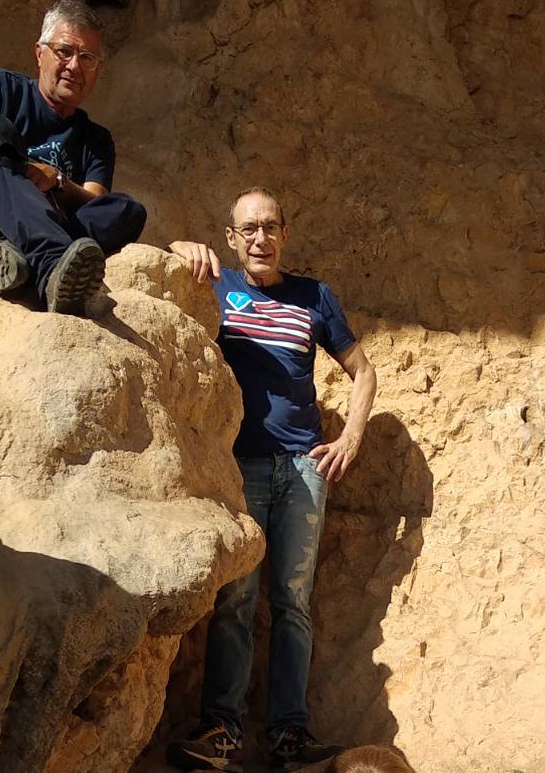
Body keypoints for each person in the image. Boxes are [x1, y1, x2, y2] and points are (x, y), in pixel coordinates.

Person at [166, 188, 378, 772]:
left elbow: (363, 372)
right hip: (241, 465)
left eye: (270, 228)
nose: (260, 239)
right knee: (236, 597)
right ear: (232, 238)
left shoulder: (315, 297)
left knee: (293, 600)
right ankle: (223, 732)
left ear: (285, 234)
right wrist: (180, 245)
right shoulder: (219, 285)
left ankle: (289, 738)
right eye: (248, 229)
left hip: (306, 469)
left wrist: (350, 439)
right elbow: (160, 272)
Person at [0, 0, 146, 315]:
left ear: (97, 70)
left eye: (87, 58)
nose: (75, 67)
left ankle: (18, 262)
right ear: (40, 53)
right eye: (65, 52)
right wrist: (18, 173)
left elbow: (95, 202)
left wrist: (57, 182)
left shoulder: (96, 139)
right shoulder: (0, 86)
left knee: (128, 210)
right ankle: (51, 268)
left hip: (35, 227)